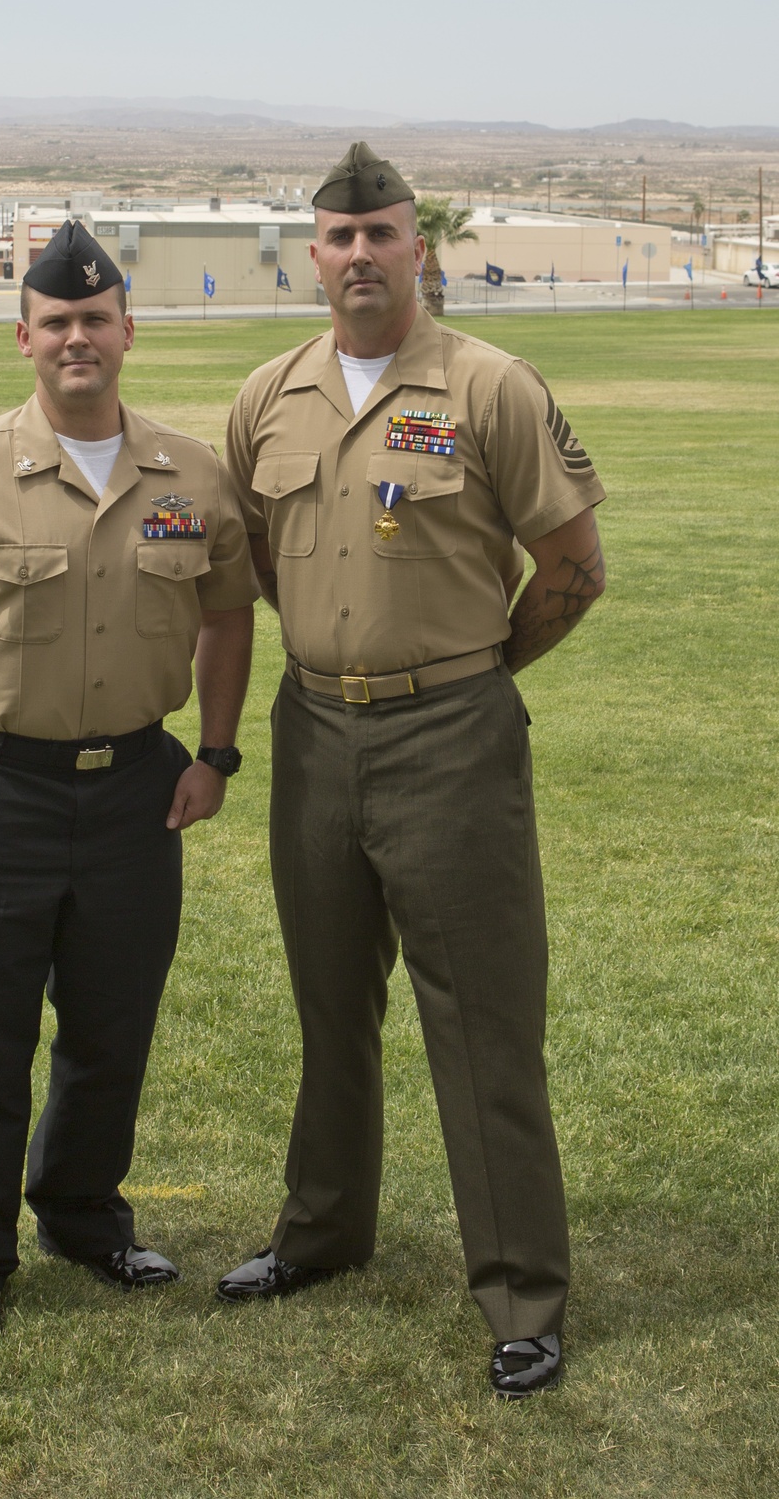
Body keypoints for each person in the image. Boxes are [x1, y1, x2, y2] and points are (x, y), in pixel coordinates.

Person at [216, 144, 606, 1399]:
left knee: (483, 1024)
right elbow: (265, 565)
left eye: (383, 232)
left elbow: (574, 570)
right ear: (312, 254)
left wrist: (473, 674)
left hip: (451, 738)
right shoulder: (268, 396)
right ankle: (322, 1235)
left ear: (417, 246)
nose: (361, 255)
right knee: (332, 1008)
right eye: (339, 237)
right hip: (313, 734)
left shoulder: (489, 387)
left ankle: (520, 1293)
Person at [0, 221, 257, 1357]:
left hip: (135, 790)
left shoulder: (191, 475)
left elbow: (229, 613)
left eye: (98, 319)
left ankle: (84, 1219)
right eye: (57, 323)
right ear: (23, 336)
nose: (79, 338)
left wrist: (214, 754)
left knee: (110, 1028)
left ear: (129, 331)